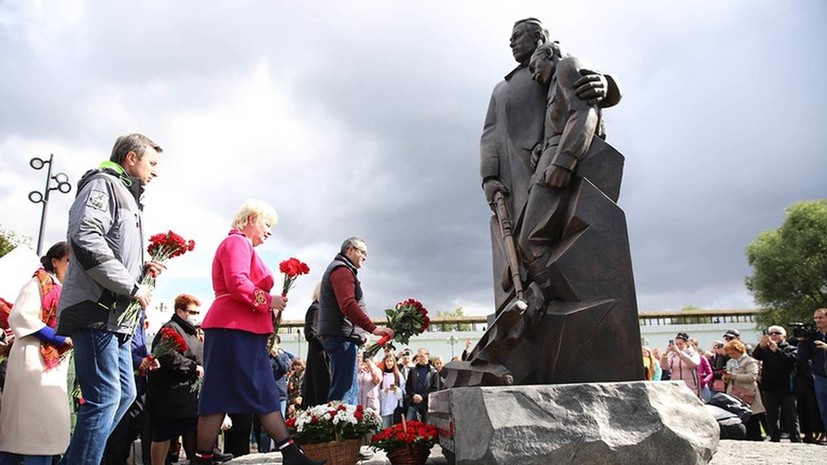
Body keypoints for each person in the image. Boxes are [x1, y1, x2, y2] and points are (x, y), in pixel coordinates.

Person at [56, 133, 165, 465]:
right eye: (152, 163)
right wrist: (131, 287)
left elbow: (111, 245)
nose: (155, 172)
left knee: (124, 394)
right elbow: (85, 237)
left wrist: (140, 268)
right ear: (131, 158)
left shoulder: (125, 194)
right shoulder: (103, 184)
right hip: (97, 311)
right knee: (104, 398)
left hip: (113, 315)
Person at [194, 199, 323, 465]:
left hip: (236, 328)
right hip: (234, 328)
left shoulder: (240, 245)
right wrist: (268, 300)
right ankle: (289, 454)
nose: (270, 231)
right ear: (251, 218)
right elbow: (237, 281)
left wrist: (267, 304)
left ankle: (288, 453)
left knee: (253, 391)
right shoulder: (236, 243)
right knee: (236, 393)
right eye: (267, 224)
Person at [0, 242, 74, 464]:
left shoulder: (62, 288)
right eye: (69, 261)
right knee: (33, 430)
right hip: (32, 359)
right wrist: (57, 337)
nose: (72, 268)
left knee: (42, 429)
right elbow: (21, 315)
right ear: (55, 261)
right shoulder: (38, 283)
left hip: (50, 363)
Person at [317, 237, 394, 404]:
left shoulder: (341, 269)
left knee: (347, 390)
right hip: (342, 337)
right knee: (344, 393)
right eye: (362, 252)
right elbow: (348, 304)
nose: (365, 257)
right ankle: (341, 429)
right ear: (350, 250)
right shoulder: (342, 270)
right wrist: (373, 328)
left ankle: (344, 427)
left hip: (342, 336)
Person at [147, 294, 207, 465]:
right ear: (180, 311)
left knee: (190, 431)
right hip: (170, 395)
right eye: (192, 312)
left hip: (186, 394)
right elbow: (167, 355)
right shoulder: (171, 328)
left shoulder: (191, 332)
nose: (196, 316)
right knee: (164, 434)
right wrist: (193, 367)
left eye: (197, 313)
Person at [102, 313, 158, 465]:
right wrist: (137, 360)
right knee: (119, 427)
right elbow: (118, 341)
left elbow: (137, 341)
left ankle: (121, 457)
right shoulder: (126, 305)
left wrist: (147, 357)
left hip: (137, 375)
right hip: (122, 372)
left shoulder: (139, 310)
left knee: (136, 421)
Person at [752, 325, 800, 442]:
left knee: (791, 416)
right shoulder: (766, 349)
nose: (774, 335)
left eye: (777, 333)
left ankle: (796, 439)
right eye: (771, 333)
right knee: (771, 416)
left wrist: (776, 350)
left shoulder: (790, 348)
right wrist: (760, 345)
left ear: (784, 336)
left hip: (787, 388)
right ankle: (774, 438)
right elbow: (756, 356)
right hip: (770, 388)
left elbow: (791, 360)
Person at [723, 339, 766, 441]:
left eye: (733, 353)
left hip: (748, 394)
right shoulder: (730, 362)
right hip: (734, 393)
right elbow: (728, 377)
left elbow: (752, 377)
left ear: (739, 350)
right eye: (729, 354)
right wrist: (725, 377)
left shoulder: (749, 361)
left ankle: (757, 437)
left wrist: (734, 376)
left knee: (752, 417)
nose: (731, 356)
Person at [796, 308, 827, 438]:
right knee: (824, 409)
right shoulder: (813, 336)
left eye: (821, 317)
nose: (817, 320)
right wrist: (803, 340)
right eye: (816, 318)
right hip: (820, 377)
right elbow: (801, 357)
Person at [300, 283, 329, 409]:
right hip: (319, 357)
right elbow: (311, 333)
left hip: (323, 355)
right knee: (319, 391)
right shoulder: (316, 309)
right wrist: (329, 344)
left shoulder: (323, 310)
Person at [660, 332, 701, 397]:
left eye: (680, 344)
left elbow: (693, 364)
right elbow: (665, 367)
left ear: (686, 343)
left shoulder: (693, 354)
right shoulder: (673, 355)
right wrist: (666, 354)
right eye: (676, 344)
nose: (678, 346)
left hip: (690, 387)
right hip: (676, 387)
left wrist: (679, 353)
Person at [405, 348, 439, 423]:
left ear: (428, 356)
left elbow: (435, 389)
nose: (419, 358)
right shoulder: (413, 371)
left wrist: (422, 397)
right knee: (408, 426)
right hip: (413, 403)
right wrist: (413, 395)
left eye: (422, 356)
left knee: (428, 428)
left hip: (427, 405)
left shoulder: (433, 372)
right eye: (418, 356)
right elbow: (408, 386)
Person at [377, 353, 404, 428]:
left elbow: (403, 390)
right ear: (385, 362)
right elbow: (377, 391)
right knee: (385, 429)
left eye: (391, 361)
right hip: (384, 406)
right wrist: (384, 391)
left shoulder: (398, 375)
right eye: (387, 361)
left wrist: (396, 390)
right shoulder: (381, 374)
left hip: (395, 406)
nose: (389, 363)